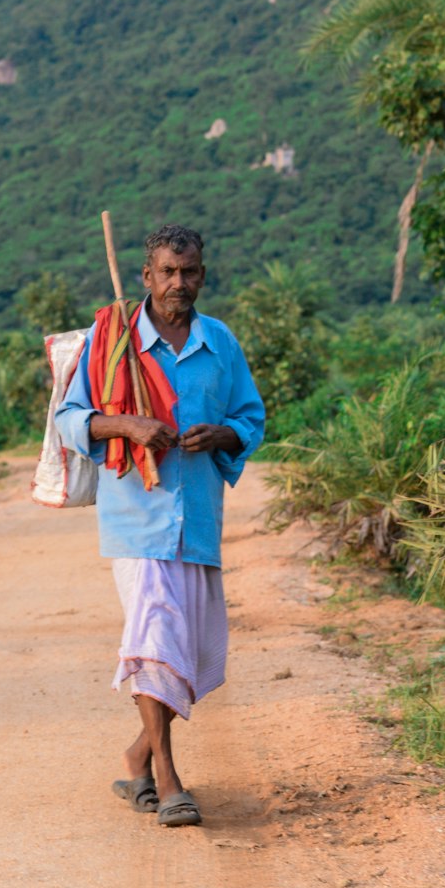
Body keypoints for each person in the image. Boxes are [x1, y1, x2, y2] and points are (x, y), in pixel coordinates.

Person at [55, 223, 265, 827]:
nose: (180, 282)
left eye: (190, 271)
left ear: (203, 274)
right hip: (137, 522)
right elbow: (73, 419)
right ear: (146, 277)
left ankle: (136, 756)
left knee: (191, 656)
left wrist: (224, 434)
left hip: (197, 520)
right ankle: (170, 781)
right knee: (155, 646)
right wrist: (127, 425)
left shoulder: (220, 343)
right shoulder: (111, 338)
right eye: (168, 272)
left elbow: (250, 416)